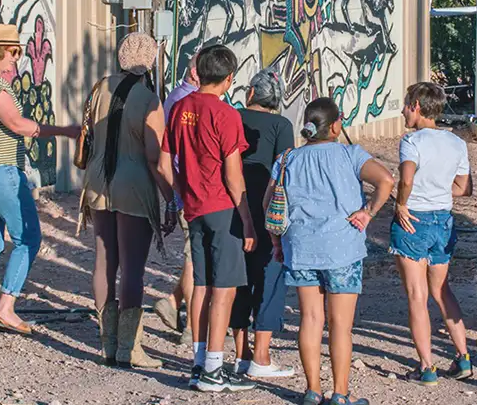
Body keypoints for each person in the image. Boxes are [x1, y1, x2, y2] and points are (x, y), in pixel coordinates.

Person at [264, 98, 395, 405]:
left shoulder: (287, 158)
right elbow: (386, 180)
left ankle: (312, 391)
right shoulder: (350, 155)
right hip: (342, 250)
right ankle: (340, 394)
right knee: (340, 325)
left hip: (300, 247)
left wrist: (276, 242)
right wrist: (368, 212)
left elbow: (268, 204)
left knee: (310, 319)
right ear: (336, 125)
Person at [0, 24, 80, 334]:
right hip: (0, 172)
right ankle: (6, 308)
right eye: (12, 52)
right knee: (27, 238)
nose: (16, 58)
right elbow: (17, 124)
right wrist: (65, 131)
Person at [157, 44, 257, 393]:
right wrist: (246, 218)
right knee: (224, 290)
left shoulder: (180, 107)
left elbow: (163, 163)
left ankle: (199, 363)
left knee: (200, 285)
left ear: (198, 71)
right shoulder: (227, 115)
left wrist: (180, 193)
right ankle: (215, 367)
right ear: (229, 78)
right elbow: (233, 175)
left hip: (193, 207)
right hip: (222, 208)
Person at [79, 32, 175, 368]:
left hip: (97, 181)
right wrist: (171, 198)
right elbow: (154, 156)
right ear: (149, 60)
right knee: (133, 268)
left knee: (104, 261)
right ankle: (129, 348)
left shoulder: (99, 88)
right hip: (133, 185)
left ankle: (107, 343)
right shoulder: (149, 98)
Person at [390, 82, 473, 384]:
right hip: (443, 220)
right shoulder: (457, 143)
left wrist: (401, 203)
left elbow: (407, 178)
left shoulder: (411, 142)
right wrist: (439, 192)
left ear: (416, 106)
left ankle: (426, 366)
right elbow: (464, 187)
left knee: (417, 295)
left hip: (414, 220)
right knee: (442, 290)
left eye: (405, 104)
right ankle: (463, 357)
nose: (402, 111)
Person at [231, 68, 296, 379]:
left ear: (251, 93)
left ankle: (240, 354)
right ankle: (262, 355)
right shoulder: (281, 125)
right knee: (270, 279)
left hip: (232, 206)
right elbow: (286, 170)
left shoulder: (232, 117)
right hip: (267, 210)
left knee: (238, 279)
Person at [154, 56, 200, 341]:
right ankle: (194, 329)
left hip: (182, 189)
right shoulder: (188, 102)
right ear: (196, 71)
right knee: (195, 258)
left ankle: (172, 302)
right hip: (191, 190)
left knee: (193, 255)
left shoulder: (175, 98)